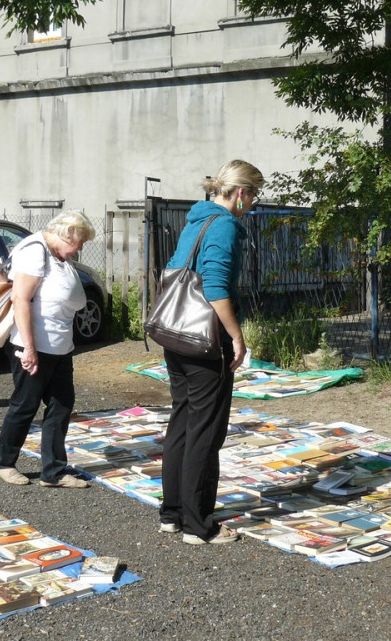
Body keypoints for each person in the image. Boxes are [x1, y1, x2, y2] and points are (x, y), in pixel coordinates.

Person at [158, 159, 265, 545]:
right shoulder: (223, 226)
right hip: (205, 340)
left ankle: (172, 514)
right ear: (240, 193)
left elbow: (173, 269)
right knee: (205, 432)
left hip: (175, 333)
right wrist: (237, 337)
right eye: (253, 194)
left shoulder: (194, 221)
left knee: (183, 422)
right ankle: (198, 525)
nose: (253, 203)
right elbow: (216, 287)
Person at [0, 210, 96, 488]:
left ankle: (54, 471)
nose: (80, 247)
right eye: (79, 241)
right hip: (34, 345)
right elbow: (20, 300)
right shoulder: (34, 250)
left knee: (61, 405)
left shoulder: (57, 254)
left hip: (60, 346)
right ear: (66, 232)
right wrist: (29, 348)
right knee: (25, 405)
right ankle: (3, 462)